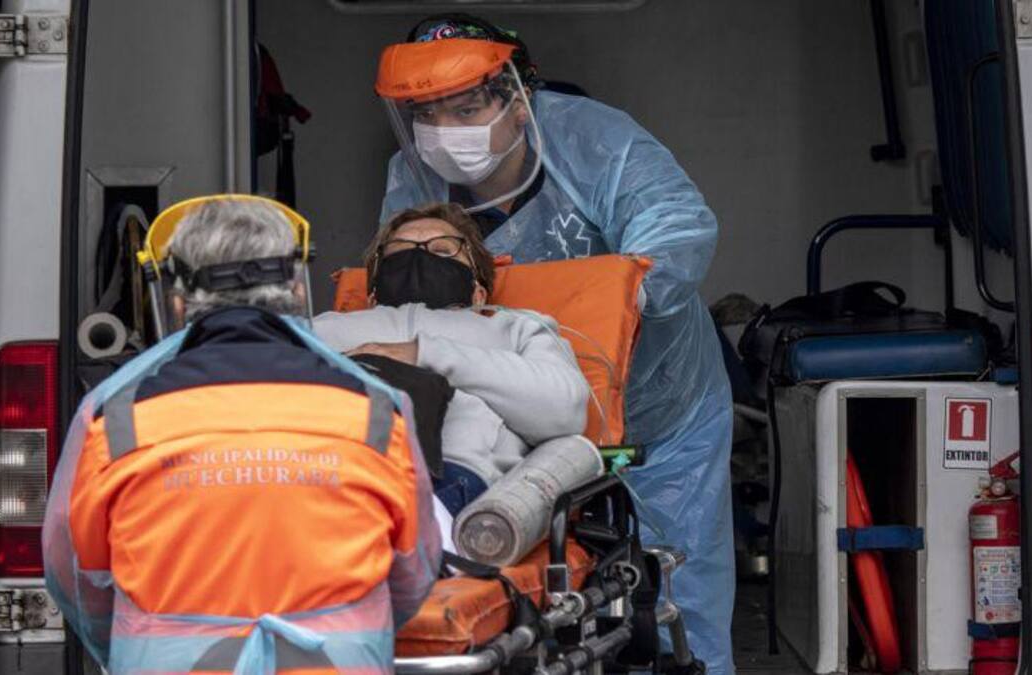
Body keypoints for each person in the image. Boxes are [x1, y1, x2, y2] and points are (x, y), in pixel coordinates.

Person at [373, 14, 736, 673]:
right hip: (519, 422)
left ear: (518, 94)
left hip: (657, 410)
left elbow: (678, 233)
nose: (447, 132)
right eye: (427, 112)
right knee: (533, 602)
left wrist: (600, 314)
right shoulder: (414, 176)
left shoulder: (595, 142)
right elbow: (401, 290)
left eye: (467, 106)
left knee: (678, 591)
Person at [42, 196, 440, 674]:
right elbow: (412, 573)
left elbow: (78, 580)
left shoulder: (115, 418)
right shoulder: (377, 411)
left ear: (176, 301)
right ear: (296, 288)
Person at [313, 202, 590, 516]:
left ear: (478, 294)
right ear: (372, 296)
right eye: (400, 253)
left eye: (443, 251)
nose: (420, 257)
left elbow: (563, 409)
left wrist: (425, 354)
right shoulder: (319, 329)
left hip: (450, 479)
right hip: (322, 469)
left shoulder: (515, 328)